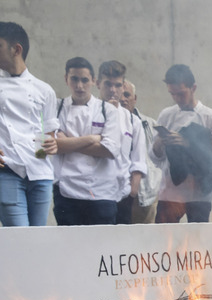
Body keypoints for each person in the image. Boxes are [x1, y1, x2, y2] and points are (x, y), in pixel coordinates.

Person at [0, 21, 58, 226]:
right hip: (7, 170)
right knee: (19, 238)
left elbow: (47, 135)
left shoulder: (44, 90)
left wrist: (51, 144)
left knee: (38, 240)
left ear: (16, 49)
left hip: (40, 173)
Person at [53, 57, 121, 226]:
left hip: (101, 193)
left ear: (93, 81)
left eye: (84, 80)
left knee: (102, 249)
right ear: (66, 79)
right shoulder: (57, 108)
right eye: (74, 79)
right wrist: (91, 139)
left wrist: (67, 143)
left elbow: (109, 150)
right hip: (67, 192)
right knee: (70, 247)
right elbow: (53, 146)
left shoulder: (108, 110)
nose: (79, 86)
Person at [151, 64, 212, 223]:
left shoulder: (210, 117)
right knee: (163, 241)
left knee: (198, 243)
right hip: (170, 191)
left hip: (199, 193)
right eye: (172, 94)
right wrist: (161, 142)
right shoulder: (167, 115)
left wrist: (188, 143)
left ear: (193, 88)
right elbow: (155, 157)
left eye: (181, 94)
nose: (177, 99)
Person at [97, 60, 147, 225]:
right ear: (98, 84)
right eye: (108, 84)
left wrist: (132, 190)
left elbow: (138, 159)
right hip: (94, 192)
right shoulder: (91, 112)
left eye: (118, 85)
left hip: (122, 195)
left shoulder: (132, 121)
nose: (113, 90)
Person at [120, 80, 162, 223]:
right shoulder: (108, 122)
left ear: (135, 98)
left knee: (145, 241)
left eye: (127, 95)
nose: (123, 99)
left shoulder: (151, 124)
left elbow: (160, 158)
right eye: (120, 95)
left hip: (146, 194)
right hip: (118, 192)